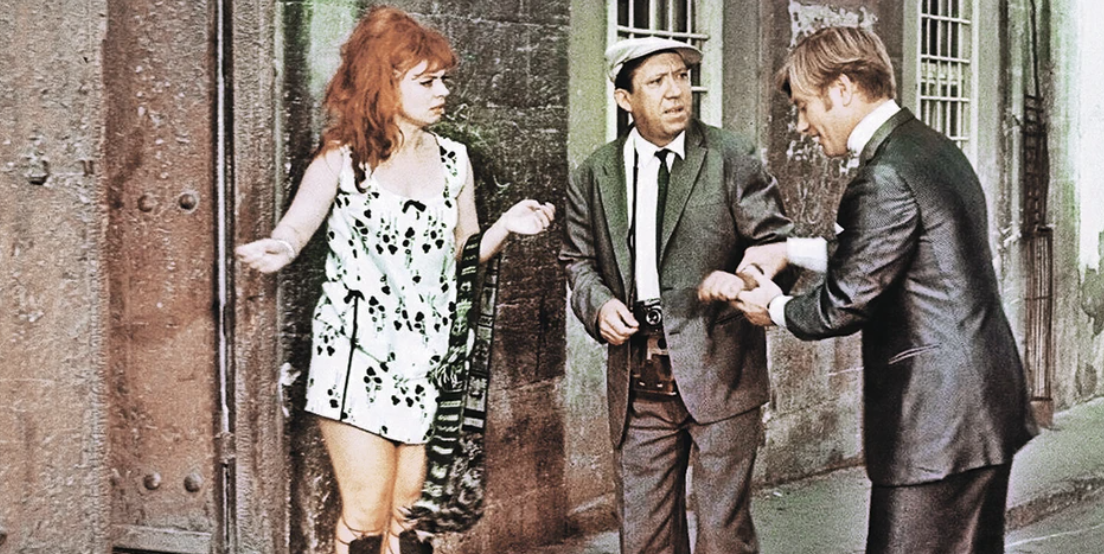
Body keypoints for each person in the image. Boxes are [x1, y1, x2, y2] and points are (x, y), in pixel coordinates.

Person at [235, 7, 554, 554]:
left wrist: (504, 226)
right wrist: (279, 248)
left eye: (444, 80)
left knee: (409, 522)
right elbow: (297, 227)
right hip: (355, 357)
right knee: (364, 518)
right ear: (384, 83)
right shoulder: (343, 160)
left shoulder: (454, 160)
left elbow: (463, 254)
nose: (442, 92)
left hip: (429, 360)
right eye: (426, 82)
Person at [734, 26, 1038, 554]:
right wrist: (791, 250)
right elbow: (890, 254)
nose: (803, 125)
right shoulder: (929, 147)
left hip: (937, 425)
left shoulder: (885, 175)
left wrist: (775, 308)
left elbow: (845, 302)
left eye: (805, 106)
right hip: (977, 410)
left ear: (843, 89)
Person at [560, 36, 792, 554]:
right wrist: (599, 306)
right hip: (639, 381)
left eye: (682, 77)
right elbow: (576, 260)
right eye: (657, 81)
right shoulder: (595, 174)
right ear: (625, 99)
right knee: (644, 538)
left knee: (723, 537)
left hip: (722, 373)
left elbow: (775, 242)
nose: (675, 92)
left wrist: (748, 279)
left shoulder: (731, 156)